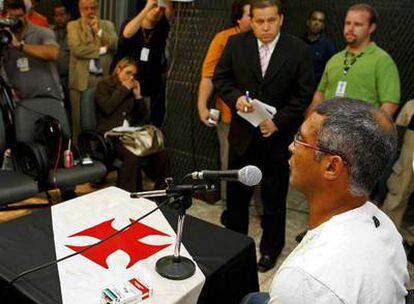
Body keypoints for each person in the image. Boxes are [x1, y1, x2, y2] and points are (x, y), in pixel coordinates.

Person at [242, 98, 409, 304]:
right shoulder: (386, 227)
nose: (291, 147)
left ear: (332, 167)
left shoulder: (306, 279)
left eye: (299, 139)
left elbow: (307, 287)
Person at [213, 0, 314, 272]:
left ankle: (270, 249)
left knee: (273, 199)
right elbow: (221, 79)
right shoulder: (236, 44)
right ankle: (233, 246)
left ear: (280, 18)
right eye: (259, 21)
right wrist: (235, 100)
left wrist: (278, 122)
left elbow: (303, 95)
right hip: (242, 137)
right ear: (250, 20)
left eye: (271, 20)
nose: (266, 26)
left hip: (277, 141)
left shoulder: (299, 50)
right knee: (236, 198)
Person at [197, 0, 251, 205]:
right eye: (249, 15)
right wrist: (202, 105)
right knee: (229, 160)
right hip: (229, 115)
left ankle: (259, 207)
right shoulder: (224, 38)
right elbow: (208, 75)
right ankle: (231, 204)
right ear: (239, 18)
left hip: (258, 117)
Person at [307, 3, 400, 117]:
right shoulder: (335, 59)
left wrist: (368, 132)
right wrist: (308, 125)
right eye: (347, 23)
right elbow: (319, 95)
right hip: (327, 131)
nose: (350, 29)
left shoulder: (382, 60)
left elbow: (390, 105)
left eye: (358, 24)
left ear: (371, 28)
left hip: (360, 132)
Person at [95, 57, 167, 192]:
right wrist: (123, 88)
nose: (131, 77)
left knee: (160, 151)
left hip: (131, 133)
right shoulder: (104, 85)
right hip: (112, 134)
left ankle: (160, 191)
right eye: (128, 73)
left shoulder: (131, 89)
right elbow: (107, 107)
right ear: (118, 70)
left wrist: (138, 97)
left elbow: (145, 119)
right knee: (132, 154)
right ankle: (128, 193)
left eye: (133, 74)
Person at [113, 0, 172, 128]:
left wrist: (163, 5)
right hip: (128, 80)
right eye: (154, 6)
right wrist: (147, 7)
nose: (157, 10)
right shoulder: (131, 24)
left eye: (160, 8)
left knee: (151, 120)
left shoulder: (162, 28)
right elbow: (127, 34)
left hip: (152, 84)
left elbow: (169, 11)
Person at [67, 0, 118, 142]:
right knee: (78, 121)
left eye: (93, 8)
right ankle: (78, 152)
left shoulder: (107, 25)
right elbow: (78, 49)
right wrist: (102, 50)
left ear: (98, 8)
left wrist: (99, 32)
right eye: (86, 8)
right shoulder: (73, 26)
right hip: (81, 80)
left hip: (103, 78)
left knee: (100, 118)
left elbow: (114, 45)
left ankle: (99, 151)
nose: (90, 11)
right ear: (80, 9)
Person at [4, 0, 62, 100]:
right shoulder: (4, 37)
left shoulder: (42, 32)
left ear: (26, 15)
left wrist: (20, 45)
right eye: (12, 18)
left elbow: (54, 53)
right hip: (20, 100)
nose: (15, 21)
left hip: (47, 96)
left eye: (19, 17)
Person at [382, 100, 414, 235]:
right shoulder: (411, 105)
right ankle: (384, 233)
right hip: (410, 144)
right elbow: (399, 133)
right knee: (399, 189)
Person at [302, 9, 335, 86]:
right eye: (314, 19)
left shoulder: (328, 47)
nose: (317, 23)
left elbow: (331, 71)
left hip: (317, 89)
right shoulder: (299, 43)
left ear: (323, 26)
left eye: (320, 21)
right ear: (308, 22)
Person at [53, 3, 71, 117]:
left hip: (70, 78)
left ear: (68, 16)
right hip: (54, 77)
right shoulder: (50, 33)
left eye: (62, 15)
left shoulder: (74, 32)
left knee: (70, 109)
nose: (59, 18)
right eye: (56, 15)